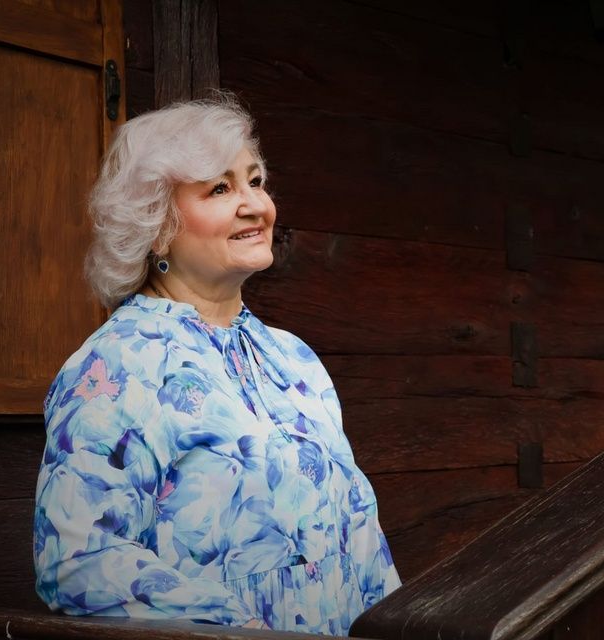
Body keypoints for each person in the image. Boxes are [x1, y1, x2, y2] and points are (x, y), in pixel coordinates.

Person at [33, 94, 401, 635]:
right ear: (157, 223)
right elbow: (78, 562)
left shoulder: (294, 359)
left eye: (255, 181)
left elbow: (361, 535)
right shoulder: (117, 366)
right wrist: (243, 630)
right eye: (221, 189)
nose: (255, 204)